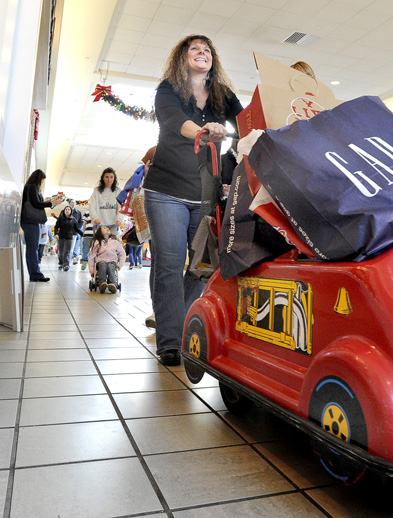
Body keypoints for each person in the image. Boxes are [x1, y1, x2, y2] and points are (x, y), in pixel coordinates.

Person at [143, 34, 242, 365]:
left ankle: (180, 324)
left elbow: (245, 125)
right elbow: (173, 121)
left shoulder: (222, 96)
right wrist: (203, 131)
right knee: (169, 263)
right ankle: (170, 341)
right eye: (194, 49)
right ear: (182, 57)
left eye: (207, 49)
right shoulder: (168, 90)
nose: (202, 53)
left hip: (204, 194)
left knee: (201, 266)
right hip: (165, 191)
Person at [20, 169, 60, 282]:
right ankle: (35, 274)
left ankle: (35, 273)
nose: (42, 182)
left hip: (28, 221)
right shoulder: (32, 187)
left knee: (32, 249)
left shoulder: (28, 187)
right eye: (42, 180)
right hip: (30, 221)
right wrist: (51, 203)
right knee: (33, 249)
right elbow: (36, 204)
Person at [88, 226, 126, 294]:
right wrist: (91, 270)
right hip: (100, 261)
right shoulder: (96, 242)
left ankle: (113, 284)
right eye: (104, 228)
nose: (107, 228)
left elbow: (122, 254)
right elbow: (92, 256)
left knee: (111, 266)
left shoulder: (115, 241)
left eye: (107, 228)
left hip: (112, 261)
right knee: (102, 264)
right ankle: (102, 283)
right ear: (100, 232)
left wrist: (120, 264)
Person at [89, 167, 121, 235]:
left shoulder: (118, 191)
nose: (109, 179)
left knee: (113, 244)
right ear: (103, 178)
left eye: (111, 177)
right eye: (107, 177)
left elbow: (120, 207)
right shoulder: (96, 191)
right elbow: (91, 206)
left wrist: (119, 219)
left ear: (114, 178)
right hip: (100, 224)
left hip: (113, 225)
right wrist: (95, 218)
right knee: (99, 244)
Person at [54, 206, 83, 271]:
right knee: (61, 252)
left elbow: (76, 229)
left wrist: (82, 235)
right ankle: (62, 263)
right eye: (66, 209)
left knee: (67, 252)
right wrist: (56, 234)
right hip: (61, 237)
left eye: (69, 209)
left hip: (69, 237)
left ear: (71, 211)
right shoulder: (61, 219)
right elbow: (56, 227)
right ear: (64, 211)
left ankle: (66, 265)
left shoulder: (73, 220)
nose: (67, 210)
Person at [67, 199, 84, 264]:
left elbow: (81, 221)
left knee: (73, 246)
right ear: (69, 203)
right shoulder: (65, 211)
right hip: (66, 232)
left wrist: (77, 228)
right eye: (72, 202)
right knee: (66, 247)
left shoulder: (78, 212)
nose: (73, 204)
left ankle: (71, 259)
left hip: (74, 232)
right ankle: (65, 260)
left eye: (74, 203)